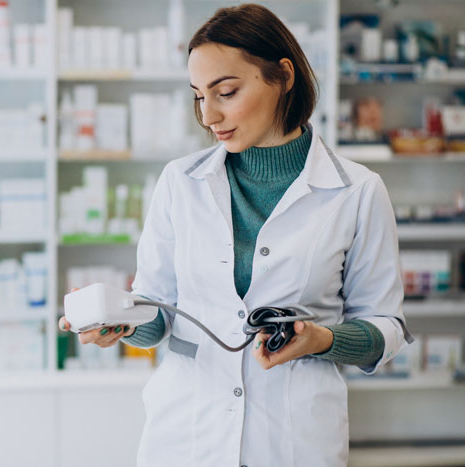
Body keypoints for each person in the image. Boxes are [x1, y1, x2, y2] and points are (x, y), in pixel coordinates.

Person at [59, 4, 412, 466]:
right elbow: (157, 309)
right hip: (185, 435)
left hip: (292, 441)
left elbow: (388, 327)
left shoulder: (357, 191)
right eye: (199, 96)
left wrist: (321, 339)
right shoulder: (180, 182)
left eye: (225, 91)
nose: (209, 116)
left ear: (283, 76)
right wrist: (123, 322)